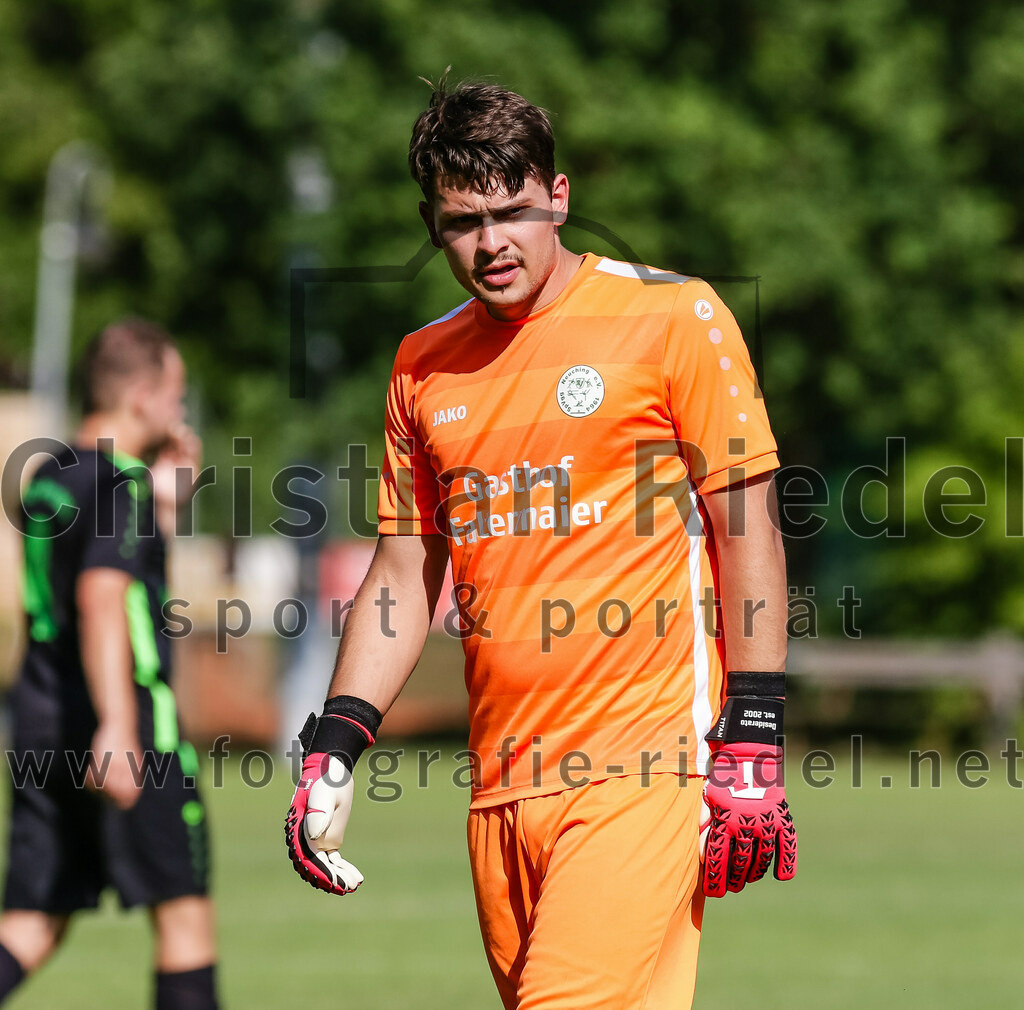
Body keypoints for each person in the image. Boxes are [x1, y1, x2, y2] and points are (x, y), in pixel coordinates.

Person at [285, 78, 797, 1009]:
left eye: (511, 212)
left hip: (643, 770)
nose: (489, 244)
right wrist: (336, 742)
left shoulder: (673, 318)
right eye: (460, 222)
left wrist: (753, 727)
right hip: (500, 793)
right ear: (433, 226)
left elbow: (747, 524)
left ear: (557, 198)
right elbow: (403, 574)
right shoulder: (420, 365)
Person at [0, 319, 219, 1009]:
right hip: (125, 733)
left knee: (33, 922)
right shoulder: (118, 487)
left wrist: (165, 502)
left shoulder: (53, 474)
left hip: (43, 723)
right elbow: (102, 597)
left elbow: (92, 557)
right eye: (175, 395)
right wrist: (120, 728)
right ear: (144, 395)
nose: (179, 411)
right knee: (183, 914)